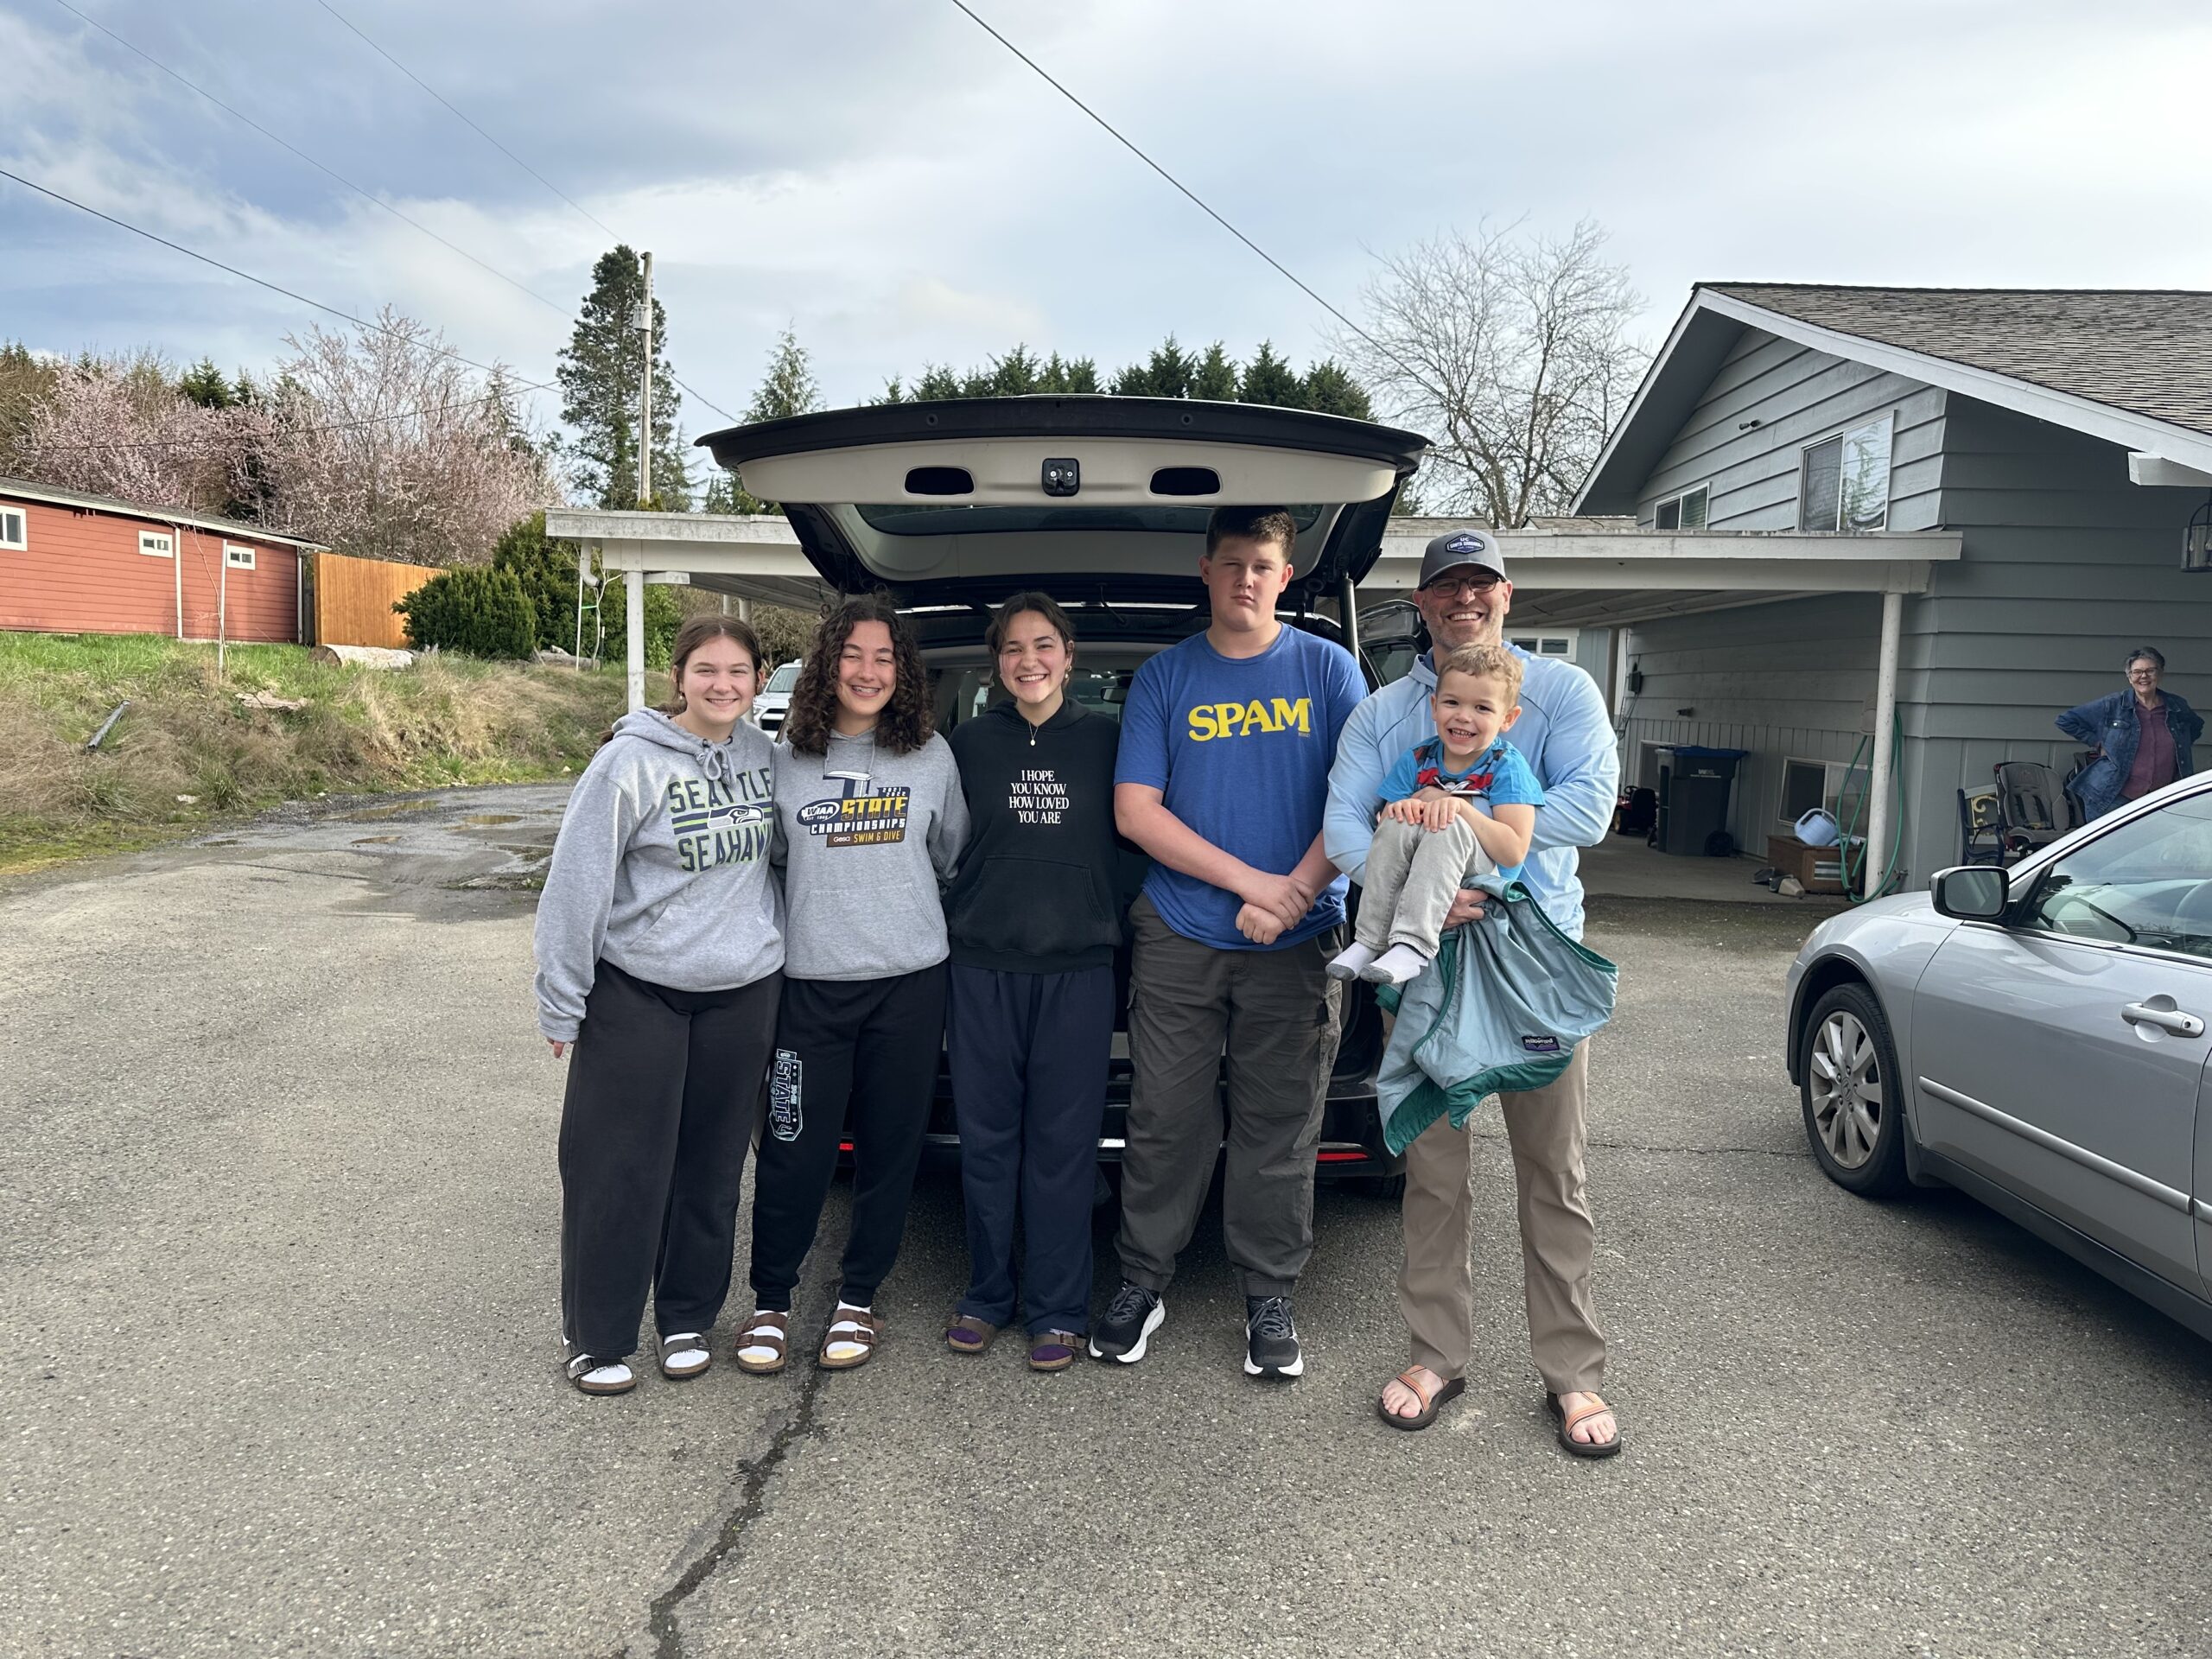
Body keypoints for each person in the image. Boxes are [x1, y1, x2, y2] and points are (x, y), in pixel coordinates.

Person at [1325, 528, 1623, 1453]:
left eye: (1480, 583)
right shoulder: (1383, 712)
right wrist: (1425, 877)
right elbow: (1346, 826)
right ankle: (1435, 1356)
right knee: (1433, 1174)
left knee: (1554, 1174)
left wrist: (1458, 837)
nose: (1464, 599)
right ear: (1420, 602)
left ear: (1506, 594)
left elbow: (1588, 809)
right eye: (1446, 585)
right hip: (1426, 967)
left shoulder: (1561, 692)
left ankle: (1572, 1374)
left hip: (1533, 966)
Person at [1091, 505, 1365, 1381]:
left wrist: (1294, 897)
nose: (1246, 578)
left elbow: (1358, 800)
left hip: (1300, 939)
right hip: (1181, 932)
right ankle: (1142, 1280)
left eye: (1262, 565)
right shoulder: (1165, 677)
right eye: (1232, 562)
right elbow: (1136, 813)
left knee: (1279, 1124)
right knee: (1164, 1117)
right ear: (1205, 572)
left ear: (1285, 577)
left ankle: (1268, 1293)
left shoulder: (1328, 670)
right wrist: (1256, 886)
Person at [534, 615, 782, 1395]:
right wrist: (562, 999)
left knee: (711, 1169)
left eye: (738, 672)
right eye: (706, 670)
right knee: (618, 1169)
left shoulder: (764, 757)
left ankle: (685, 1319)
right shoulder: (627, 762)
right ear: (678, 678)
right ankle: (599, 1336)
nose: (722, 685)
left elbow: (780, 862)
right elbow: (577, 884)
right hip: (638, 991)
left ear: (759, 680)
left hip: (741, 992)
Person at [736, 593, 969, 1376]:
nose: (868, 672)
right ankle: (771, 1300)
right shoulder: (785, 759)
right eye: (853, 655)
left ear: (903, 672)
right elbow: (770, 862)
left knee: (890, 1149)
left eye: (884, 658)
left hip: (909, 984)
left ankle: (858, 1298)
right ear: (827, 665)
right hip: (811, 987)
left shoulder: (931, 757)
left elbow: (951, 857)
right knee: (794, 1149)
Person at [940, 593, 1122, 1373]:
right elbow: (940, 844)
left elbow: (1138, 842)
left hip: (1078, 970)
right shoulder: (966, 745)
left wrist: (1109, 913)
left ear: (1069, 657)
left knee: (1063, 1149)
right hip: (981, 967)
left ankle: (1058, 1310)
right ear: (997, 664)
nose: (1029, 661)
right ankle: (987, 1296)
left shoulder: (1110, 743)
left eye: (1043, 645)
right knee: (986, 1144)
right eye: (1013, 648)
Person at [1326, 642, 1543, 988]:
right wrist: (1402, 807)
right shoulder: (1418, 758)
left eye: (1482, 707)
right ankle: (1370, 940)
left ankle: (1413, 945)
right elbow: (1387, 828)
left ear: (1508, 718)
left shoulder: (1506, 767)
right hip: (1424, 873)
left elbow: (1513, 851)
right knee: (1398, 822)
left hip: (1481, 884)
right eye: (1452, 702)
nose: (1463, 716)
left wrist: (1459, 806)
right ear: (1434, 705)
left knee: (1447, 825)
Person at [2056, 646, 2202, 821]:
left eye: (2150, 671)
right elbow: (2066, 720)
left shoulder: (2177, 706)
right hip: (2113, 797)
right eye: (2137, 672)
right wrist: (2097, 742)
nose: (2144, 676)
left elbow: (2195, 727)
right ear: (2129, 677)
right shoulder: (2113, 704)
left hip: (2160, 798)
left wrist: (2177, 745)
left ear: (2160, 673)